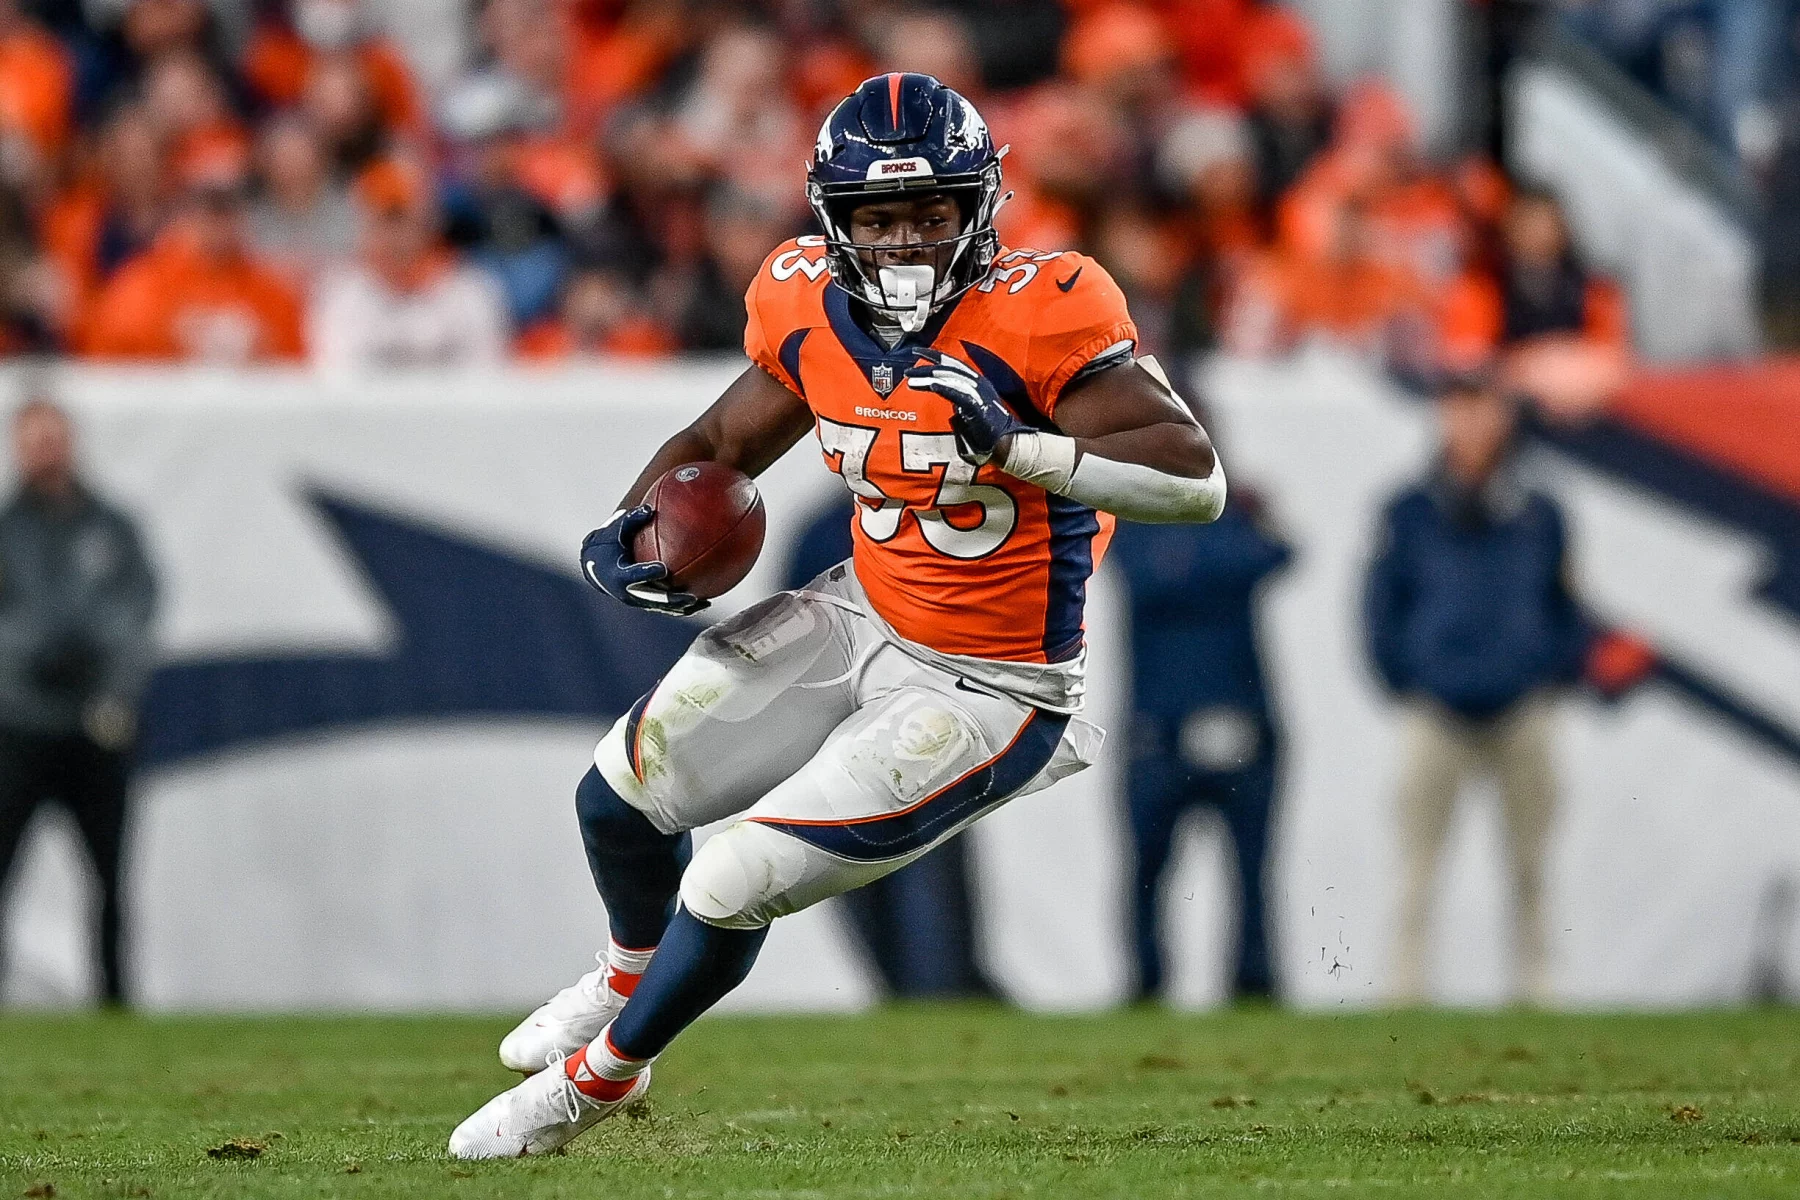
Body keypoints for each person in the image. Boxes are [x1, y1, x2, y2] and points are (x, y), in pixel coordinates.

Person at [449, 73, 1228, 1158]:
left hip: (994, 682)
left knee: (731, 881)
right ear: (836, 222)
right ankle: (623, 974)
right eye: (879, 216)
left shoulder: (1045, 307)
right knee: (618, 794)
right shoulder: (806, 299)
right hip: (863, 613)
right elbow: (719, 448)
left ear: (978, 209)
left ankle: (594, 1085)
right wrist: (638, 532)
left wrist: (1016, 449)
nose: (905, 238)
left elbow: (1194, 481)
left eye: (929, 213)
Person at [1364, 379, 1590, 1005]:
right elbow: (1380, 607)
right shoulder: (1409, 509)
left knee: (1531, 867)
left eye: (1481, 404)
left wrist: (1547, 672)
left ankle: (1538, 993)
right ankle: (1405, 996)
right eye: (1457, 405)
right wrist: (1409, 678)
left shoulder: (1540, 511)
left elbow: (1568, 607)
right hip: (1436, 710)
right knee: (1416, 865)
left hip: (1523, 709)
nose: (1469, 421)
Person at [781, 495, 995, 1000]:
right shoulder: (821, 531)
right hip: (842, 750)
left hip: (921, 749)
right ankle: (932, 1012)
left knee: (934, 945)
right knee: (877, 931)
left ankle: (950, 1014)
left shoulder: (944, 517)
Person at [0, 395, 157, 1006]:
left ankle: (115, 999)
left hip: (96, 727)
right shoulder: (7, 532)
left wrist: (102, 669)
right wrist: (35, 654)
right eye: (33, 439)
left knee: (110, 879)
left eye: (53, 438)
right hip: (20, 726)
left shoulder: (112, 528)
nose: (44, 451)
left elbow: (138, 609)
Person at [1111, 472, 1291, 1003]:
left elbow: (1278, 556)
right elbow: (1144, 575)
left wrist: (1191, 553)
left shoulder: (1219, 512)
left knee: (1251, 868)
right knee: (1146, 869)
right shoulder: (1130, 513)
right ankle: (1146, 984)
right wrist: (1225, 540)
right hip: (1158, 729)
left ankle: (1253, 983)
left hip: (1240, 717)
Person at [308, 157, 509, 370]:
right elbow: (336, 379)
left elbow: (486, 379)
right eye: (383, 220)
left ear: (429, 221)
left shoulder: (471, 292)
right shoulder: (340, 294)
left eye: (402, 217)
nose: (394, 233)